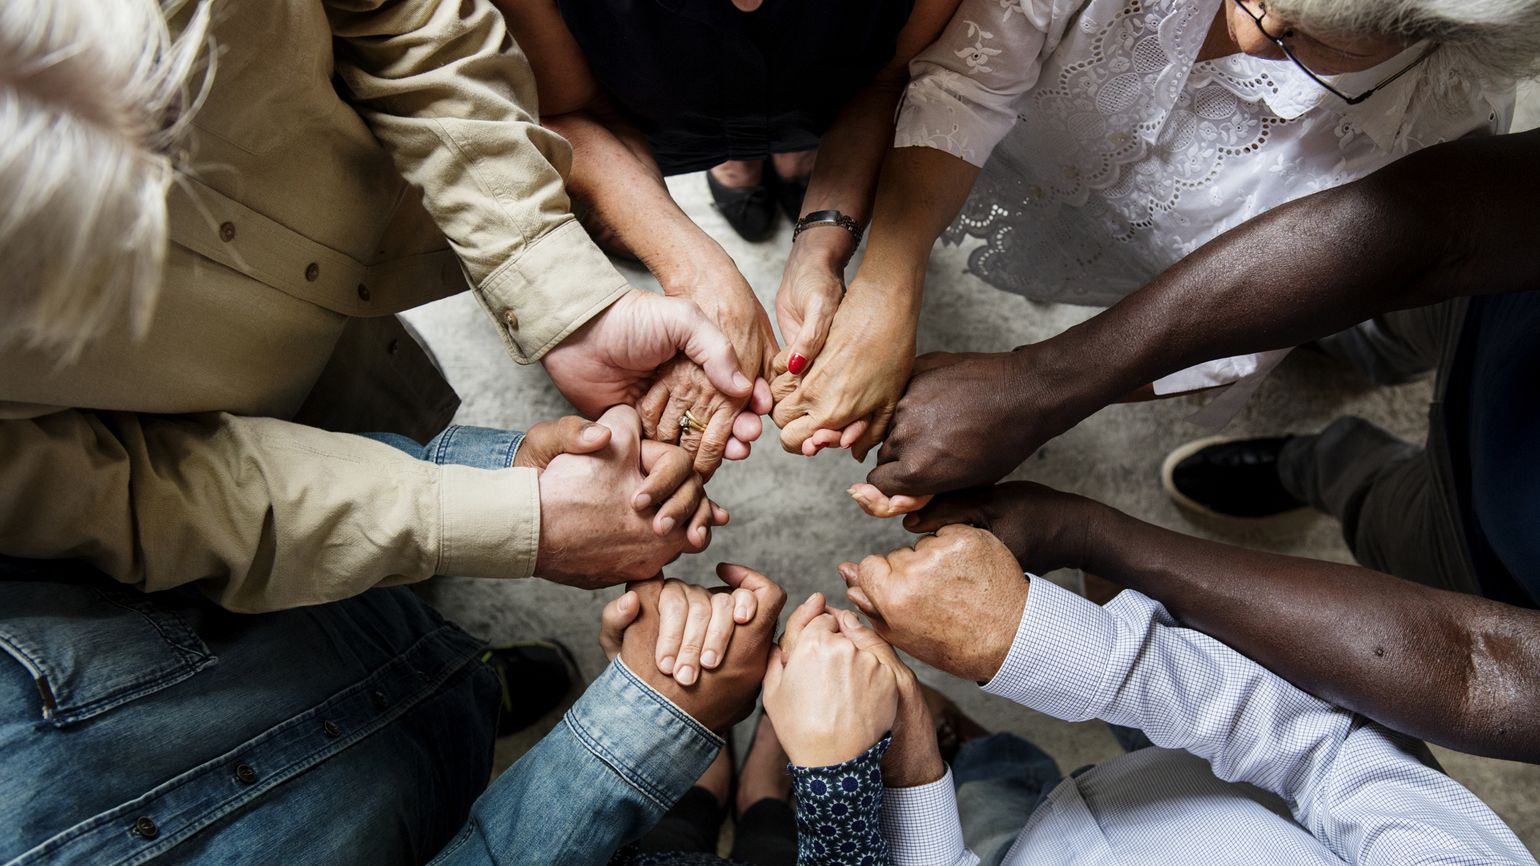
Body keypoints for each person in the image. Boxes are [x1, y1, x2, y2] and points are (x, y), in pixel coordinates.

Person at [0, 0, 751, 861]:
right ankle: (433, 685)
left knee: (378, 575)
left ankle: (447, 678)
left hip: (347, 369)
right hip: (215, 518)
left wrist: (563, 300)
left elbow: (408, 17)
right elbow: (124, 489)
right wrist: (497, 519)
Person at [859, 127, 1540, 763]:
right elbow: (1439, 226)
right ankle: (1331, 394)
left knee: (1385, 515)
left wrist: (1087, 533)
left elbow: (1474, 663)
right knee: (1385, 311)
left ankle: (1324, 470)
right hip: (1495, 295)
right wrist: (1042, 382)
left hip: (1491, 563)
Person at [770, 0, 1540, 458]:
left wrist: (1031, 386)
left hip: (1141, 271)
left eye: (1304, 43)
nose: (1250, 32)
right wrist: (885, 284)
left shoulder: (1434, 143)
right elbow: (969, 78)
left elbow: (1228, 334)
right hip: (999, 150)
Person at [834, 526, 1537, 864]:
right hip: (1218, 776)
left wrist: (916, 776)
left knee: (987, 793)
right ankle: (1133, 626)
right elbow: (1327, 758)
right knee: (1174, 700)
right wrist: (1047, 641)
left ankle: (976, 754)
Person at [492, 0, 960, 473]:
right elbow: (570, 109)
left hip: (822, 105)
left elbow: (886, 80)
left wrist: (820, 246)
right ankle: (736, 161)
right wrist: (695, 268)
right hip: (645, 119)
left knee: (799, 109)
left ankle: (790, 155)